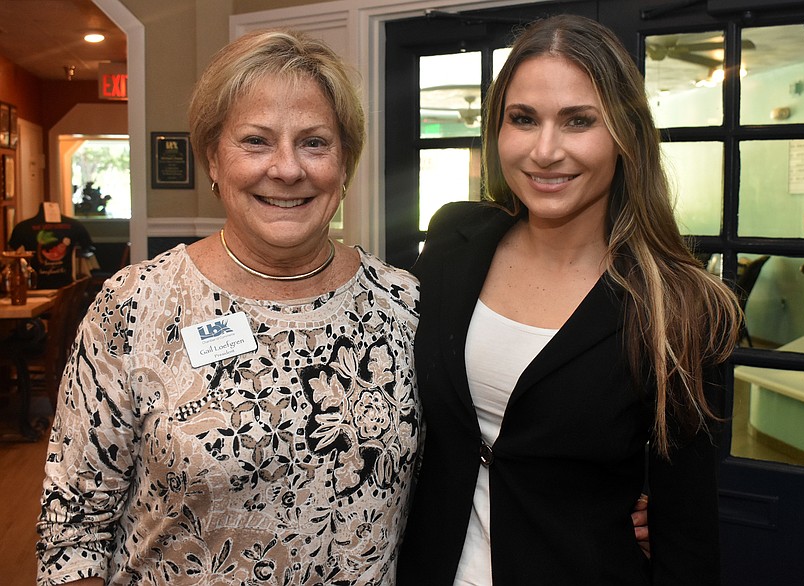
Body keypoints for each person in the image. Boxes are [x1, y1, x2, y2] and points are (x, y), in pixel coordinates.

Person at [36, 28, 421, 585]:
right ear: (212, 159)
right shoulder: (135, 305)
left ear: (345, 163)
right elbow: (72, 528)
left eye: (315, 142)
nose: (287, 168)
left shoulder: (404, 305)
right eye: (256, 141)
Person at [398, 14, 741, 585]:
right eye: (522, 119)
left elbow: (689, 536)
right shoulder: (454, 241)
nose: (545, 150)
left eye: (579, 121)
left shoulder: (677, 306)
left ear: (625, 135)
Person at [7, 202, 94, 289]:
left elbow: (12, 248)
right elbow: (87, 246)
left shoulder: (23, 227)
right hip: (64, 285)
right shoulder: (76, 225)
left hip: (37, 285)